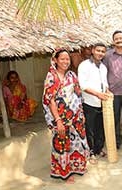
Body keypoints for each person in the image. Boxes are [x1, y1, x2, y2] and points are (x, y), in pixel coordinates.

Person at [42, 49, 89, 183]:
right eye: (62, 59)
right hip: (60, 117)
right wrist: (58, 120)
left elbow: (78, 95)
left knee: (77, 143)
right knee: (62, 144)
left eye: (67, 59)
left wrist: (81, 113)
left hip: (76, 117)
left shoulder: (72, 76)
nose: (65, 61)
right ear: (55, 60)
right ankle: (64, 173)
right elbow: (50, 100)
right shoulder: (51, 77)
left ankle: (77, 167)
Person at [78, 43, 111, 163]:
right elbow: (83, 85)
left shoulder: (103, 67)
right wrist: (98, 94)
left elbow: (105, 83)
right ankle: (91, 152)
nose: (100, 53)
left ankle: (98, 149)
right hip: (89, 102)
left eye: (103, 51)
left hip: (102, 103)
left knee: (100, 128)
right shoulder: (84, 65)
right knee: (90, 129)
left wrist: (107, 91)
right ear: (93, 51)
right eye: (98, 50)